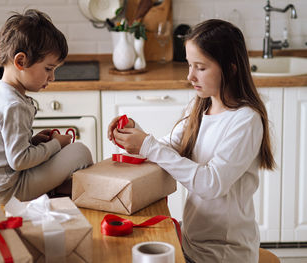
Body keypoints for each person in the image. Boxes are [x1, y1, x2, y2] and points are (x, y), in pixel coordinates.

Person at [108, 19, 275, 263]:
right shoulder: (201, 107)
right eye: (189, 65)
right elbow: (165, 149)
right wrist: (136, 134)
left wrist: (147, 145)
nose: (190, 76)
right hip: (193, 242)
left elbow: (211, 184)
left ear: (230, 68)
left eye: (200, 67)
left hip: (225, 254)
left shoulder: (245, 121)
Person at [0, 9, 93, 205]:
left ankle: (56, 188)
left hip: (4, 184)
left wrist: (35, 141)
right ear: (21, 61)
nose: (52, 78)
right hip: (11, 191)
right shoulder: (13, 105)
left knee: (68, 153)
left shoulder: (5, 95)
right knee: (80, 152)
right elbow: (19, 161)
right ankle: (64, 189)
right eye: (48, 69)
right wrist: (56, 144)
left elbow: (9, 151)